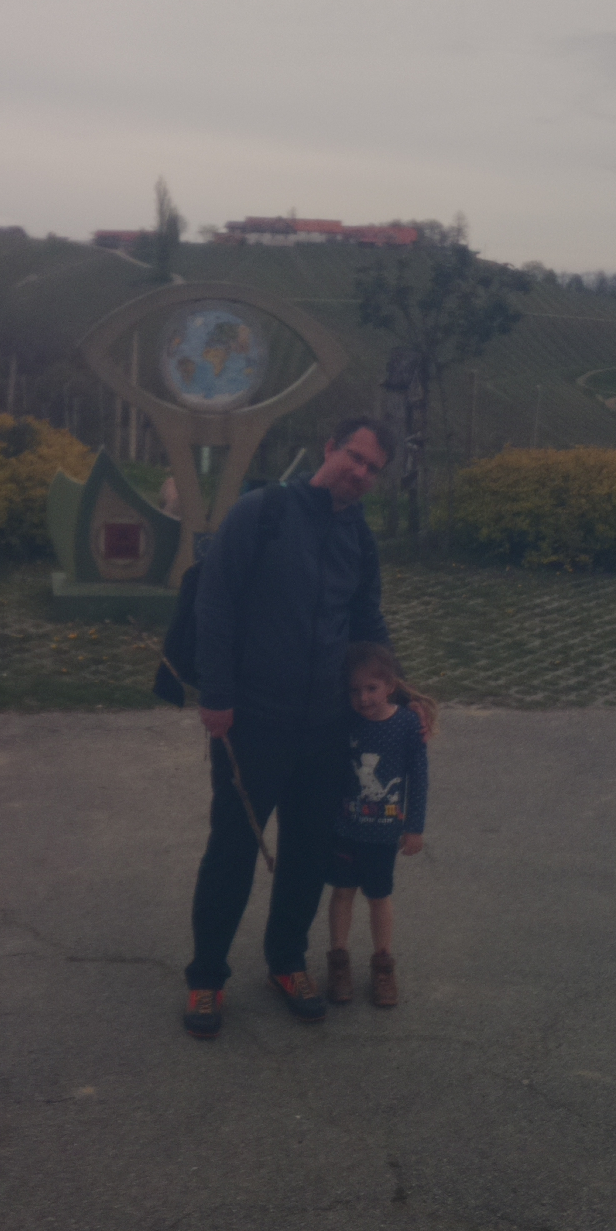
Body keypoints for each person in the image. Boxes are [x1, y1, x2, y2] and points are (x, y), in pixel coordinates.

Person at [183, 415, 396, 1039]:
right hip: (253, 718)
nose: (360, 473)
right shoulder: (263, 513)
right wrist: (216, 695)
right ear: (329, 447)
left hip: (327, 724)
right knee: (232, 849)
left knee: (309, 850)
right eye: (355, 457)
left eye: (373, 469)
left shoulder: (359, 537)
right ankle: (206, 976)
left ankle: (286, 961)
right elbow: (214, 603)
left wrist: (396, 693)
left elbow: (366, 622)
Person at [325, 642, 435, 1008]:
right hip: (345, 828)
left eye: (372, 688)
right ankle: (338, 959)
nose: (363, 698)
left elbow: (419, 779)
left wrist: (414, 827)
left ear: (390, 685)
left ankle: (383, 963)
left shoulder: (407, 724)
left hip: (384, 833)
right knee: (342, 892)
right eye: (355, 690)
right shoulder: (345, 719)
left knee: (379, 896)